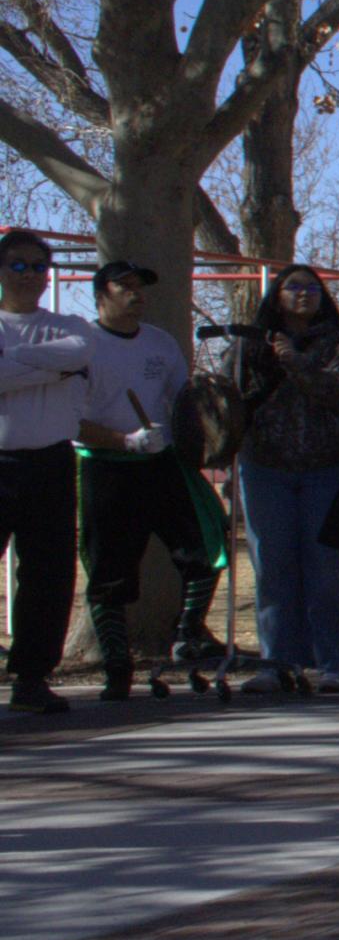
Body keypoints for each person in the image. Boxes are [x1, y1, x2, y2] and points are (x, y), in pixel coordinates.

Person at [77, 261, 223, 695]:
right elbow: (70, 417)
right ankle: (117, 667)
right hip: (106, 467)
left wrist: (209, 431)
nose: (137, 294)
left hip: (162, 465)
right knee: (109, 573)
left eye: (141, 286)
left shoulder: (160, 343)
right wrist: (124, 441)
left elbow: (186, 401)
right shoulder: (82, 345)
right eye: (126, 286)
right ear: (102, 294)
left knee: (206, 546)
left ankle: (188, 634)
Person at [228, 264, 339, 691]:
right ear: (276, 294)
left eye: (312, 287)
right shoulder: (251, 343)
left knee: (325, 568)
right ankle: (276, 662)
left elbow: (338, 389)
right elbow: (230, 397)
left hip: (328, 468)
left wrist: (296, 362)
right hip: (266, 467)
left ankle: (330, 663)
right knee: (273, 566)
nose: (304, 293)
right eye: (294, 286)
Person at [0, 228, 91, 713]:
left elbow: (81, 353)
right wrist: (49, 370)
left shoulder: (68, 324)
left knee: (49, 574)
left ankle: (31, 677)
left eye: (39, 266)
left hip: (51, 462)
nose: (31, 275)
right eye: (19, 265)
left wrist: (12, 366)